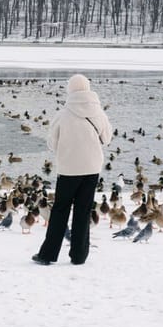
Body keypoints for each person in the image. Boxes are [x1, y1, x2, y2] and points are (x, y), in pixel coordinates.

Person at [32, 74, 112, 266]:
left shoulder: (63, 114)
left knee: (60, 210)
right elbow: (107, 138)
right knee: (83, 211)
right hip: (92, 169)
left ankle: (47, 255)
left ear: (70, 89)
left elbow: (52, 143)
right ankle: (79, 256)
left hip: (68, 170)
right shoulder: (99, 113)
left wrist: (67, 148)